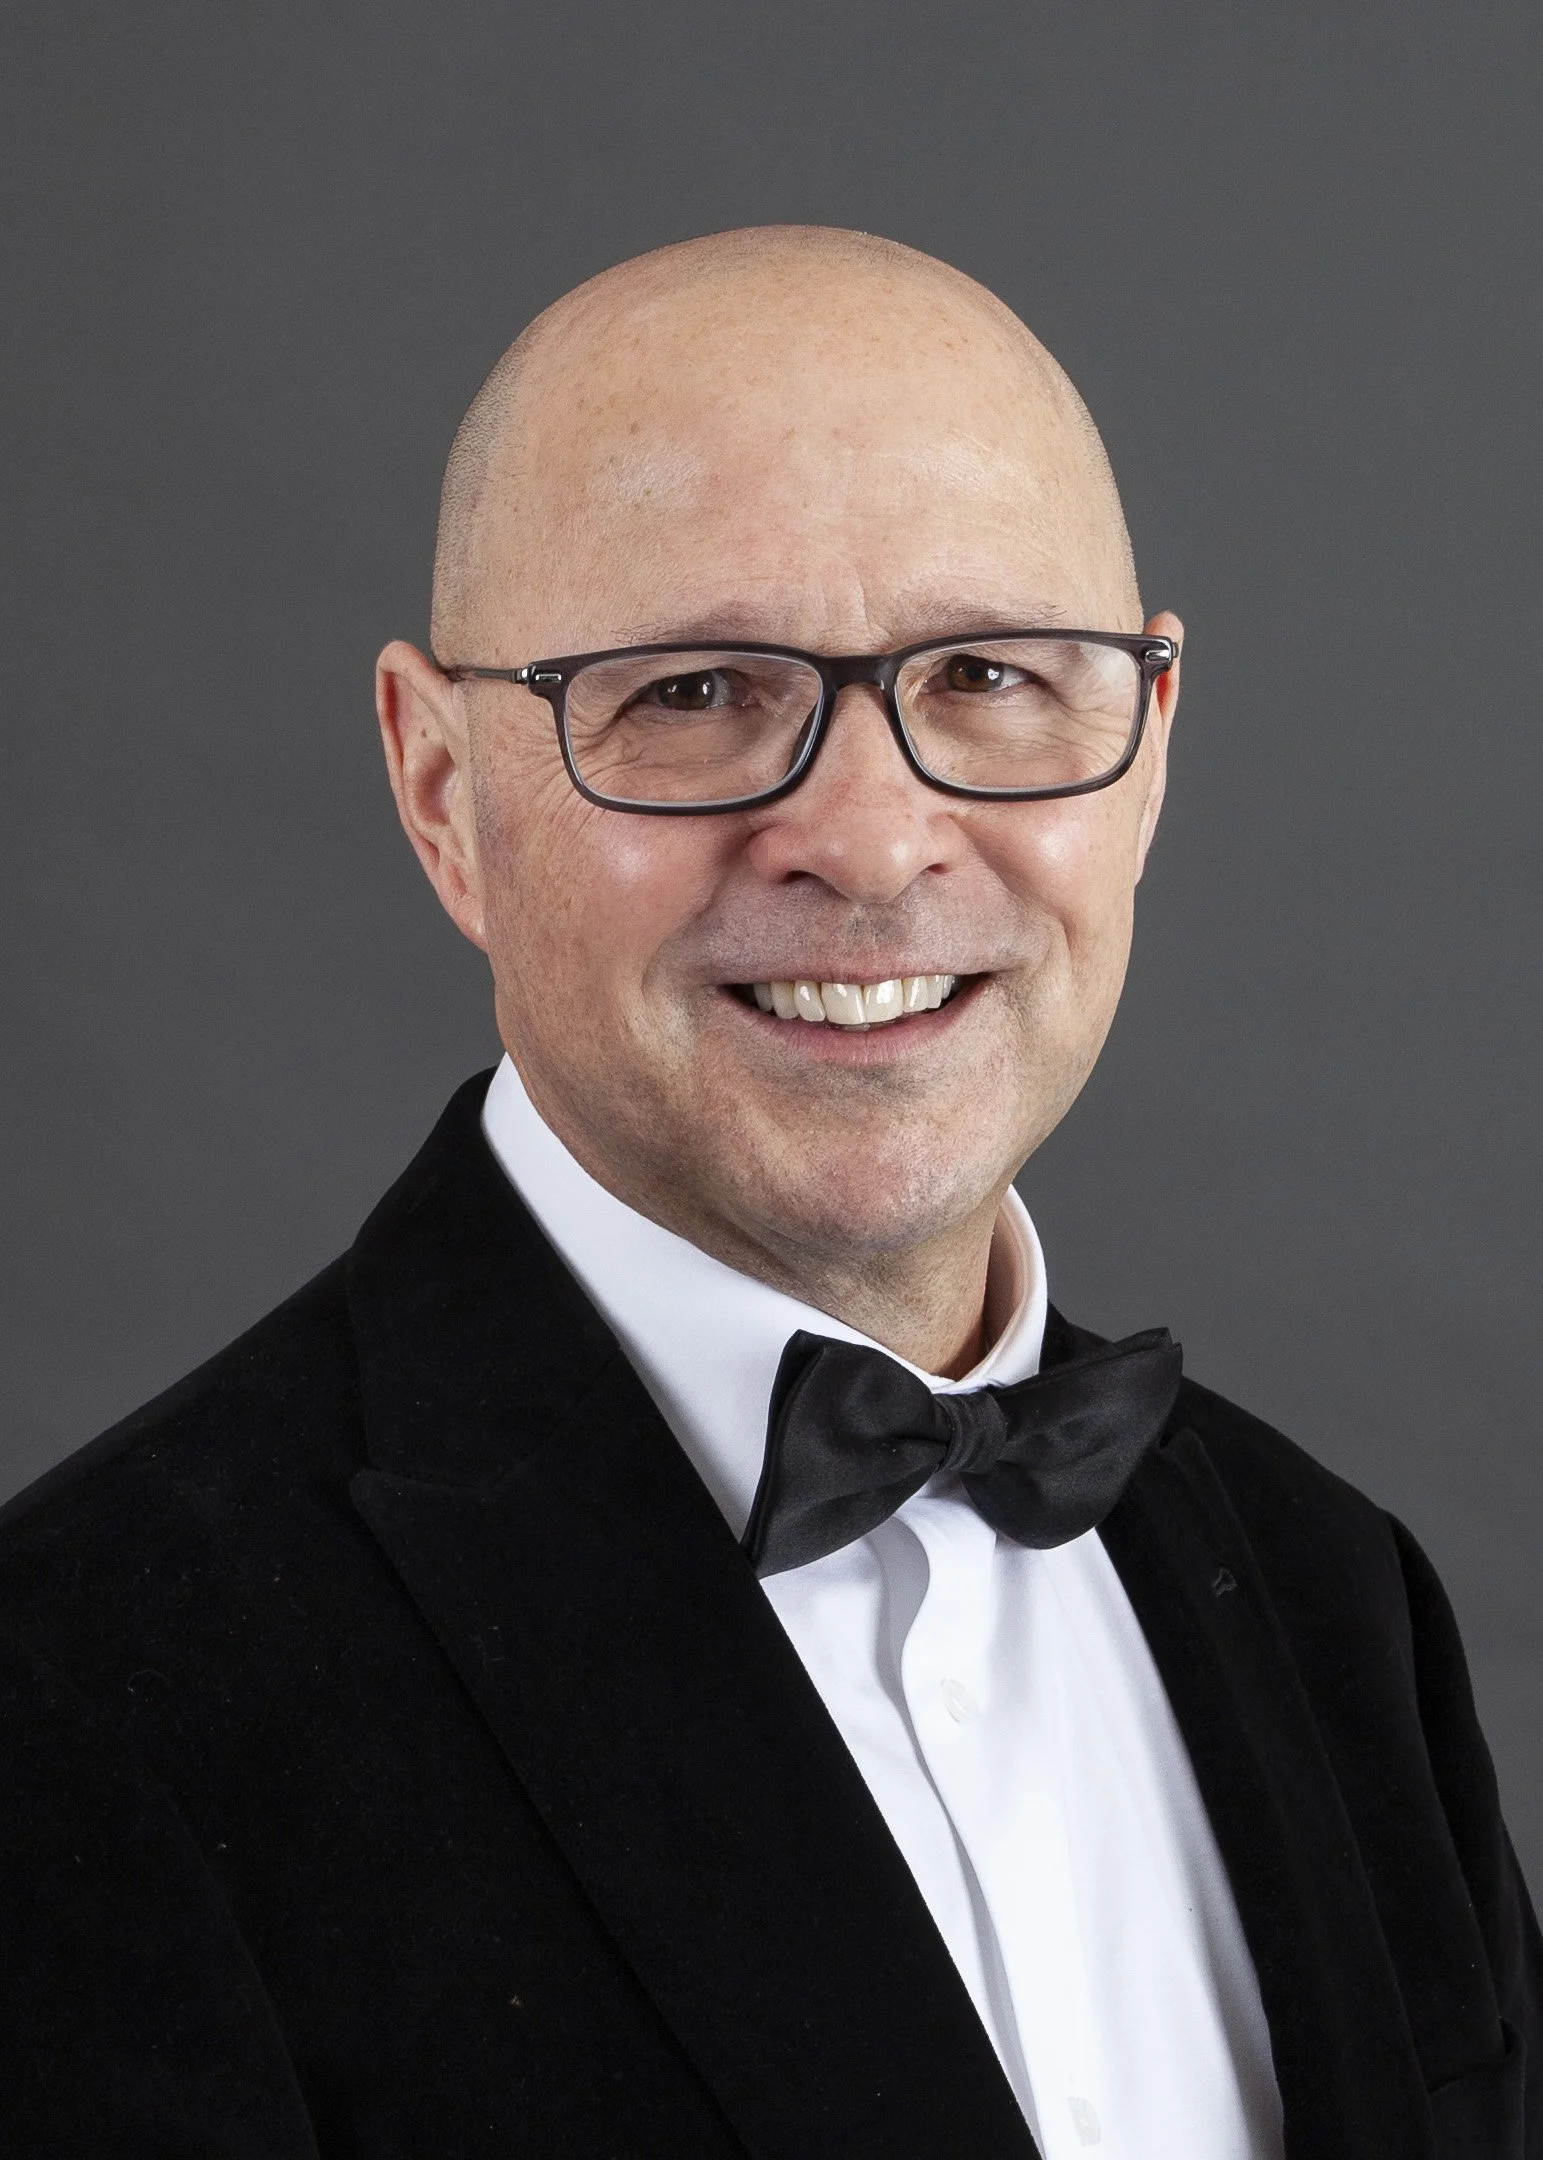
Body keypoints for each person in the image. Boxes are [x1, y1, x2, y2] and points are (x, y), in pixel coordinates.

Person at [0, 226, 1535, 2160]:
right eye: (699, 691)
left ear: (1146, 748)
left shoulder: (1340, 1607)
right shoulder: (81, 1712)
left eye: (987, 674)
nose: (871, 839)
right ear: (441, 789)